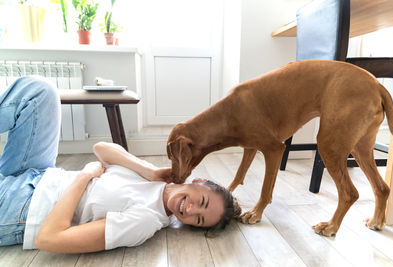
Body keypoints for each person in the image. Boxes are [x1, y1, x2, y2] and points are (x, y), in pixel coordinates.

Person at [0, 76, 241, 253]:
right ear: (199, 182)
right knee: (41, 91)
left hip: (21, 208)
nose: (189, 210)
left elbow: (49, 239)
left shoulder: (145, 221)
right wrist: (149, 171)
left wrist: (84, 176)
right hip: (39, 174)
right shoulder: (153, 181)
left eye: (198, 219)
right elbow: (101, 149)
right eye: (202, 202)